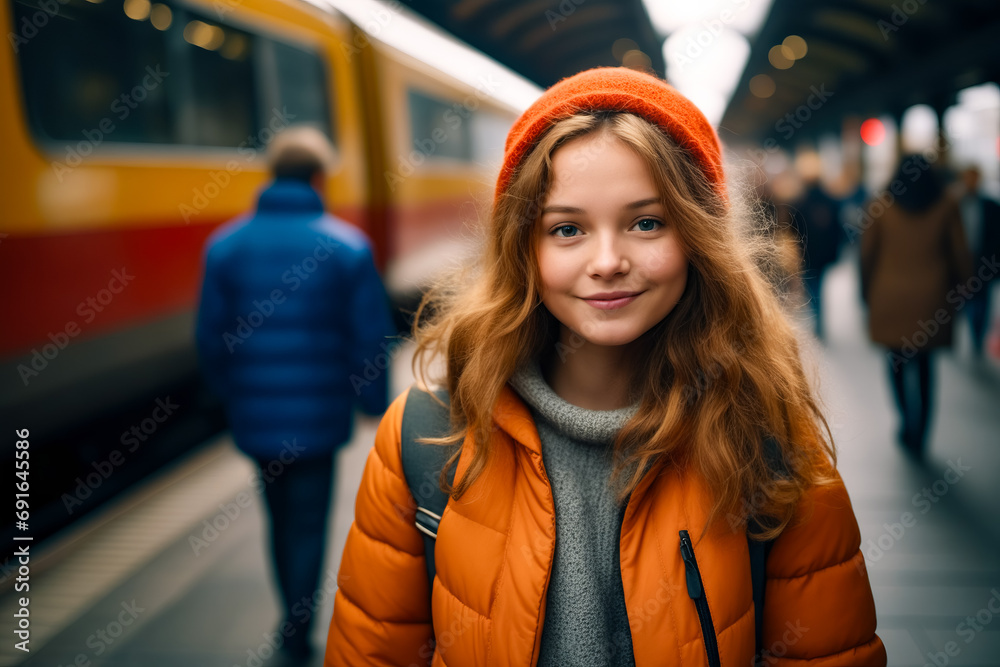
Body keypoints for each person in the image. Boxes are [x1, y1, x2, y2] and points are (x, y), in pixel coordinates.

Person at [325, 68, 886, 666]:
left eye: (647, 222)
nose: (608, 261)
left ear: (700, 238)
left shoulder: (771, 439)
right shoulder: (425, 437)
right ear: (524, 249)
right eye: (567, 229)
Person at [195, 125, 395, 662]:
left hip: (256, 419)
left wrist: (228, 395)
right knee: (309, 520)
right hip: (319, 416)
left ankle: (290, 614)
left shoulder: (226, 246)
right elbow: (367, 337)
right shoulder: (347, 247)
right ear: (318, 177)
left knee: (278, 517)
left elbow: (210, 339)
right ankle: (296, 630)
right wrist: (374, 405)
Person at [860, 154, 972, 460]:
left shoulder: (881, 206)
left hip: (889, 294)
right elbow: (960, 252)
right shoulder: (947, 205)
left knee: (895, 361)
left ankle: (904, 419)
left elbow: (867, 254)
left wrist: (865, 291)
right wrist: (964, 286)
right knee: (925, 366)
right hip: (932, 298)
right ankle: (920, 430)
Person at [957, 165, 1000, 357]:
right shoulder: (955, 204)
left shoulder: (990, 206)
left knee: (982, 302)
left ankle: (977, 338)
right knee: (962, 300)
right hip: (962, 260)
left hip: (983, 262)